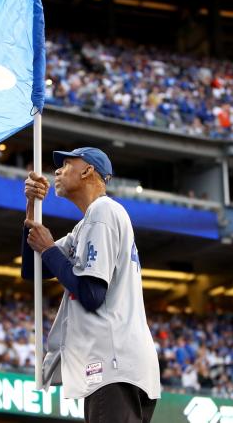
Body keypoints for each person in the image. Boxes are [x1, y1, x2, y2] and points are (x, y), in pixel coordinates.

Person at [21, 147, 160, 423]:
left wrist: (49, 248)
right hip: (121, 367)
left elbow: (91, 294)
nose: (58, 171)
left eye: (67, 164)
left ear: (87, 171)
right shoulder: (88, 223)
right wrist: (31, 207)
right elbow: (32, 269)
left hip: (113, 365)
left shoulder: (103, 211)